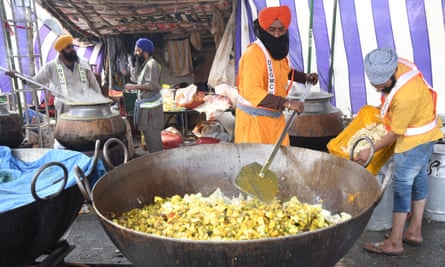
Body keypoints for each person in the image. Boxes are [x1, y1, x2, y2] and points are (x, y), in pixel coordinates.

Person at [355, 48, 443, 256]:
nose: (376, 88)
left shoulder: (406, 96)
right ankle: (414, 231)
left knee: (402, 187)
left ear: (389, 77)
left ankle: (395, 242)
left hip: (414, 141)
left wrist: (369, 150)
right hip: (427, 134)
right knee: (419, 178)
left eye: (379, 85)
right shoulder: (399, 66)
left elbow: (394, 133)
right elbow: (391, 99)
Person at [234, 5, 318, 145]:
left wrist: (304, 77)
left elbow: (284, 71)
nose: (277, 34)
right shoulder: (253, 55)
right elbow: (252, 91)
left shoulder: (277, 52)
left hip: (275, 121)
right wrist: (287, 103)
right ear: (263, 30)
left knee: (279, 164)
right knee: (256, 165)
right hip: (254, 124)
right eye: (271, 30)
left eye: (281, 30)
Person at [5, 34, 105, 116]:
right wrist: (18, 75)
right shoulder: (51, 67)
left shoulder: (83, 62)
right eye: (68, 47)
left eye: (72, 46)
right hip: (65, 112)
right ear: (61, 51)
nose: (73, 49)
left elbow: (94, 84)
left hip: (85, 108)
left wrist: (101, 104)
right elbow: (35, 83)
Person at [124, 38, 163, 153]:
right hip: (147, 112)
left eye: (137, 50)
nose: (135, 53)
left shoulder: (152, 65)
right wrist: (134, 62)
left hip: (152, 114)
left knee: (155, 145)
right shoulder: (145, 65)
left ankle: (159, 167)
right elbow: (138, 79)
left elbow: (152, 86)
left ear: (144, 50)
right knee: (150, 143)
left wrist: (134, 87)